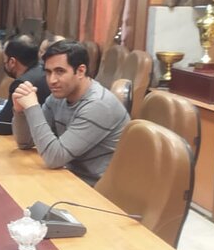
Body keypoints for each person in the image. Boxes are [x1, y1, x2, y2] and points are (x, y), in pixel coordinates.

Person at [11, 40, 129, 186]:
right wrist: (20, 112)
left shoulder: (98, 105)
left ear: (80, 71)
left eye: (60, 71)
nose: (52, 80)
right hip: (69, 177)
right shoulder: (58, 97)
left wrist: (32, 107)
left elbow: (54, 158)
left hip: (94, 189)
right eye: (48, 72)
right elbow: (25, 142)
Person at [0, 35, 50, 135]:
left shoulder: (22, 84)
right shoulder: (45, 70)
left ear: (12, 62)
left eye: (5, 61)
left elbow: (2, 126)